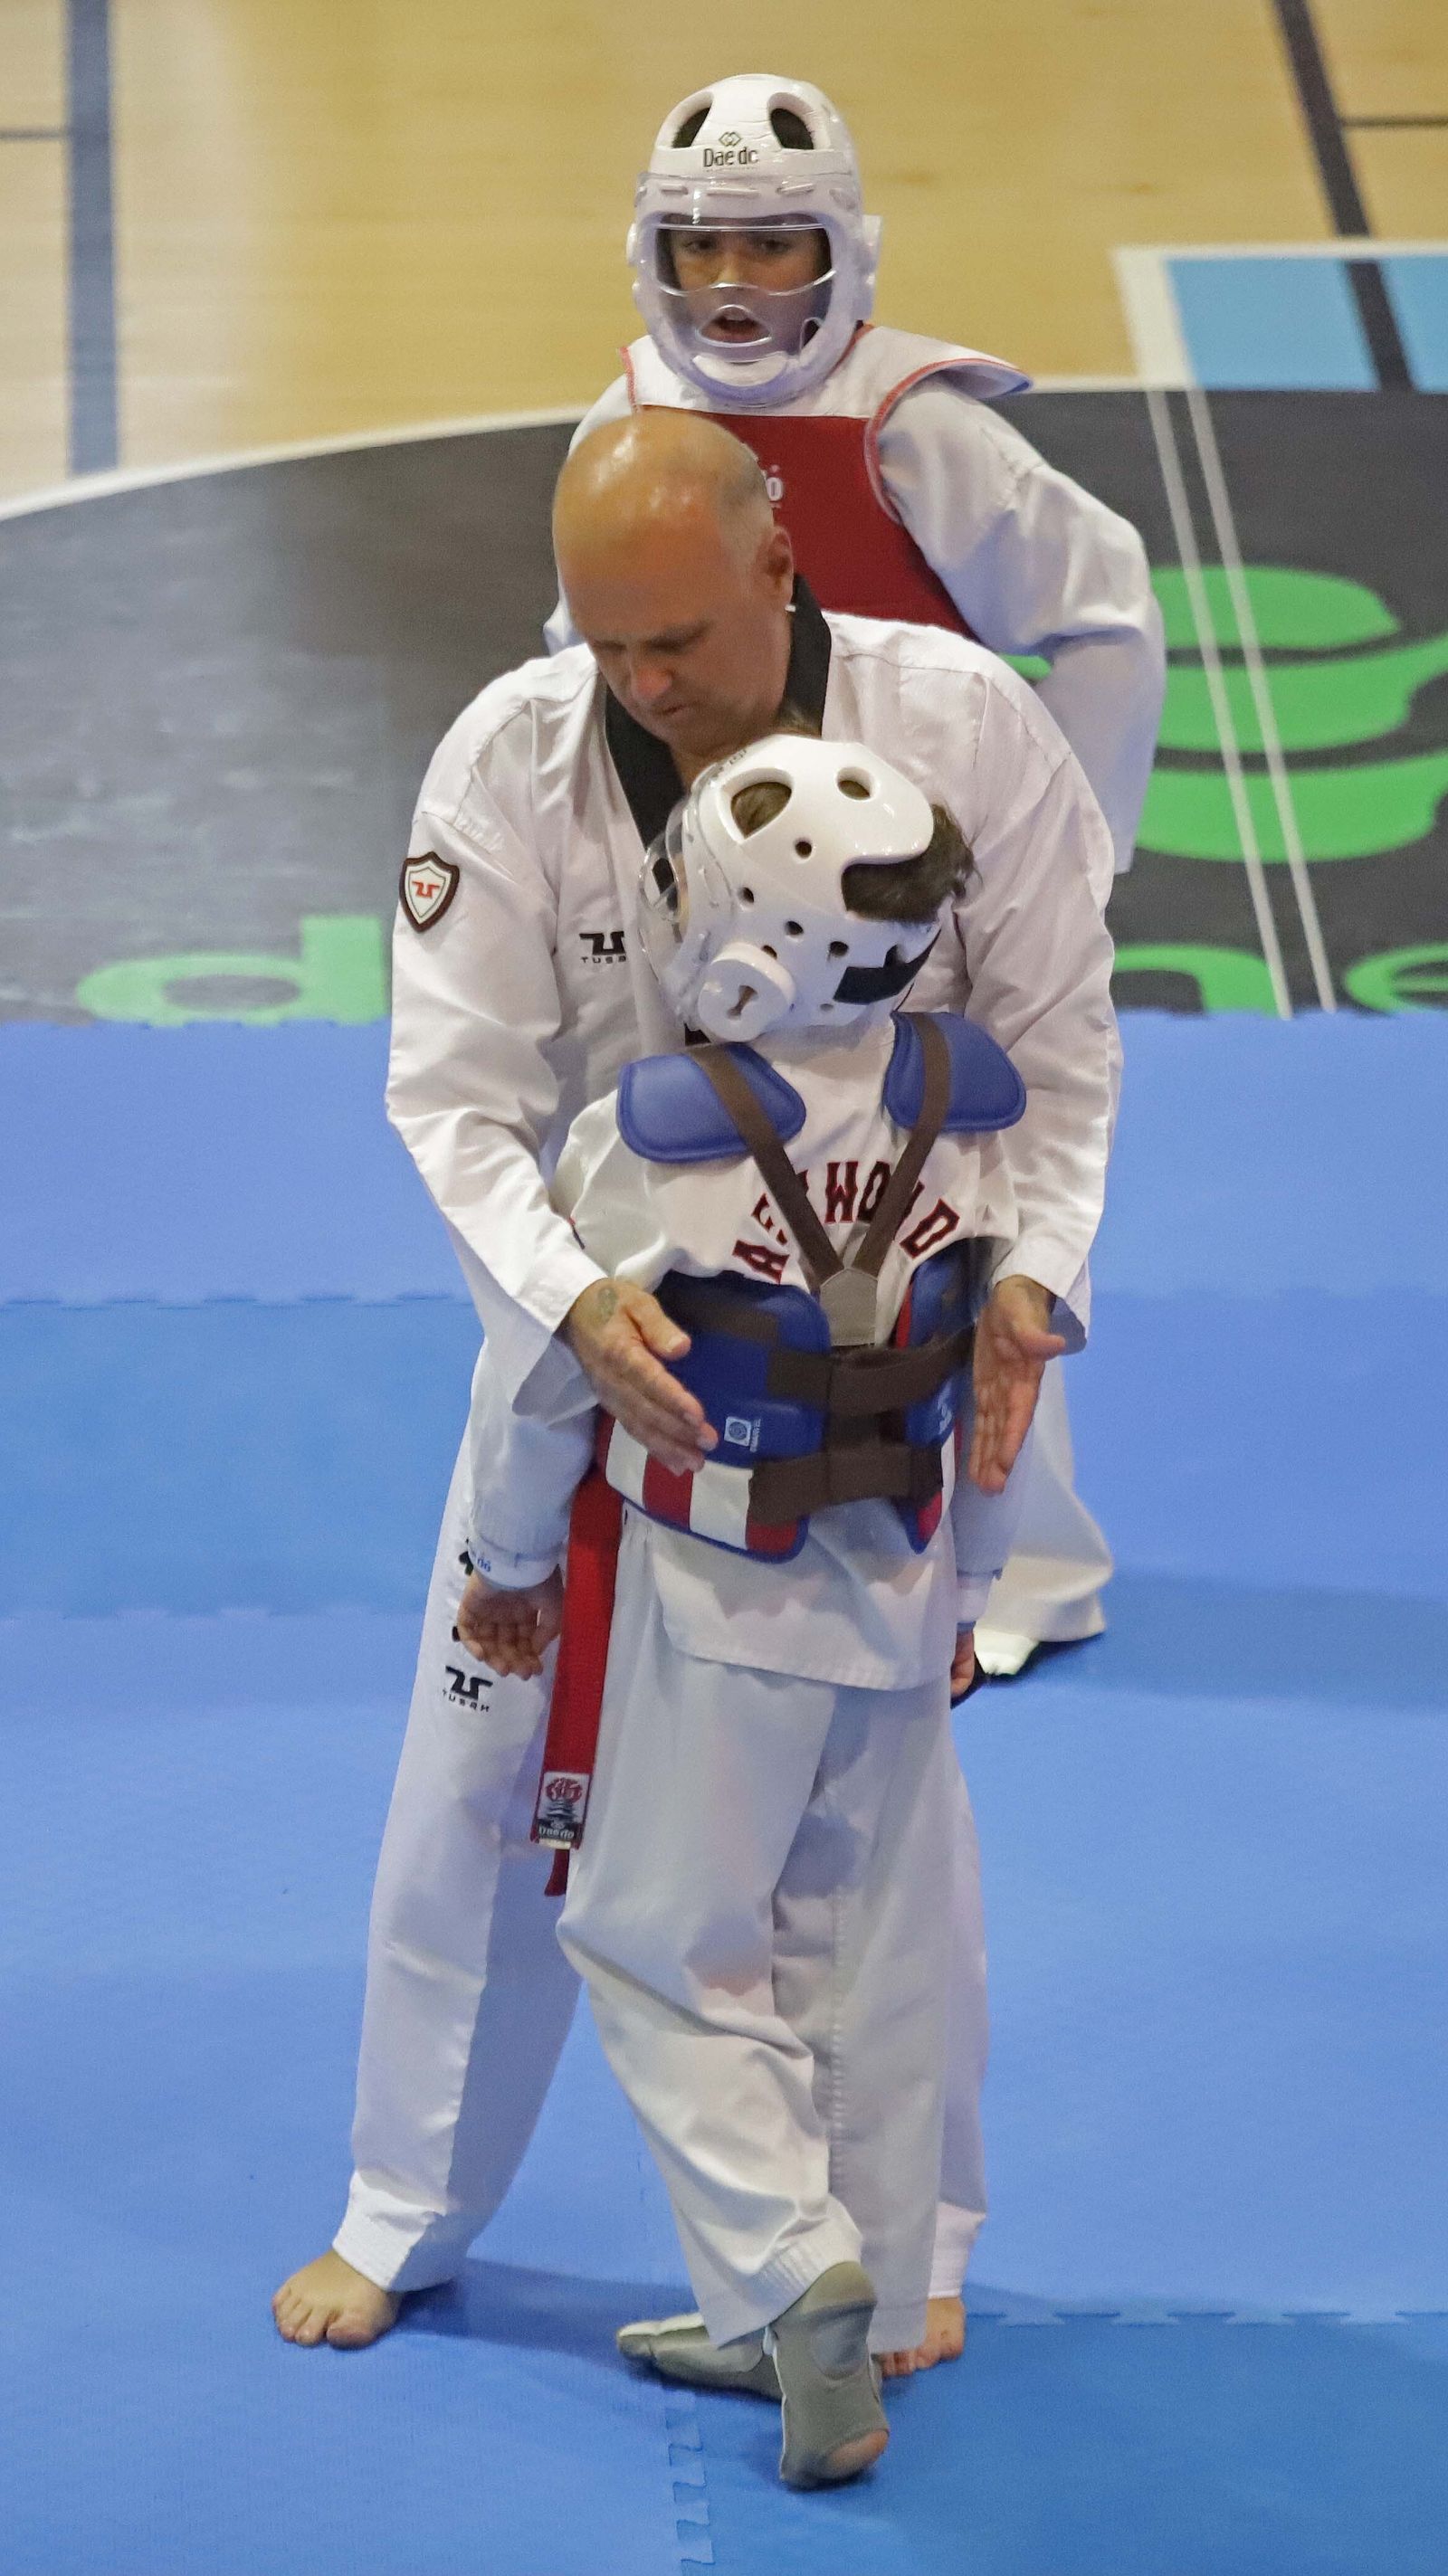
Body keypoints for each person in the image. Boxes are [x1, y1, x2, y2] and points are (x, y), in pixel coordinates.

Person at [271, 412, 1117, 2382]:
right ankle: (402, 2207)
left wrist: (1036, 1283)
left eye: (676, 643)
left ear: (779, 565)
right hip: (594, 1358)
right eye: (603, 642)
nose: (637, 686)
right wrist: (570, 1305)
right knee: (482, 1785)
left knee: (876, 1848)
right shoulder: (512, 753)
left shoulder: (966, 730)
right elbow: (451, 1098)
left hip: (871, 1394)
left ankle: (889, 2257)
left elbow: (1056, 1057)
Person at [452, 731, 1048, 2485]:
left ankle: (795, 2274)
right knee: (866, 1948)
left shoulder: (660, 1143)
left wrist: (503, 1562)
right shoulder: (961, 1100)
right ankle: (875, 2292)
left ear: (736, 945)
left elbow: (543, 1373)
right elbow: (1000, 1368)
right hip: (900, 1574)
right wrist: (985, 1583)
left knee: (647, 1935)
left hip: (720, 1597)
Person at [547, 71, 1164, 1679]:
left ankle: (1028, 1564)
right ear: (649, 257)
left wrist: (1065, 854)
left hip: (917, 913)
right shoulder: (627, 426)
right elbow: (576, 670)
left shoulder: (918, 431)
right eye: (701, 252)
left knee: (978, 1234)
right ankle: (741, 1502)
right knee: (741, 1225)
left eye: (771, 250)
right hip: (728, 917)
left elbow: (1102, 612)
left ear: (845, 255)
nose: (734, 292)